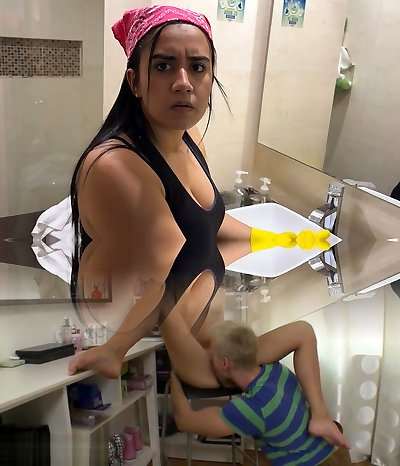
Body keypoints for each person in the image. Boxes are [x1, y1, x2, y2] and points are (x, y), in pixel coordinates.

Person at [67, 5, 331, 381]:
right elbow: (166, 265)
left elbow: (208, 225)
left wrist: (276, 238)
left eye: (197, 67)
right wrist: (116, 349)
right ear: (134, 82)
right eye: (163, 66)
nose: (183, 82)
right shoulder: (117, 164)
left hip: (194, 336)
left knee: (302, 336)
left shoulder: (189, 138)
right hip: (146, 336)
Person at [170, 320, 352, 465]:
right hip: (336, 453)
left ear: (225, 363)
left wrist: (175, 375)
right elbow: (304, 330)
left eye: (211, 358)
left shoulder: (253, 409)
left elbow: (184, 421)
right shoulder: (277, 371)